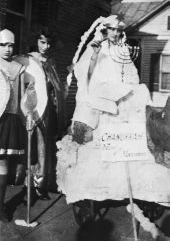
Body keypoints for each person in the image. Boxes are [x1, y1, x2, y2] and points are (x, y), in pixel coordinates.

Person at [67, 15, 151, 144]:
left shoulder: (122, 48)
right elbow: (86, 73)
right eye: (112, 29)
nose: (115, 33)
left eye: (118, 30)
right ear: (105, 29)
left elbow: (131, 73)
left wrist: (127, 84)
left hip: (119, 95)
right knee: (90, 137)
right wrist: (95, 55)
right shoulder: (98, 46)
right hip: (100, 95)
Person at [25, 26, 65, 201]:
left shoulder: (50, 62)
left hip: (48, 109)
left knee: (43, 147)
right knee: (31, 147)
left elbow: (56, 87)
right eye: (42, 42)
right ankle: (29, 185)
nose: (45, 46)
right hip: (31, 108)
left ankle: (39, 184)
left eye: (48, 43)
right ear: (35, 41)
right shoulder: (27, 61)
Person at [0, 29, 26, 222]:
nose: (7, 49)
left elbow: (22, 96)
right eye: (3, 45)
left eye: (10, 45)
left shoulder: (18, 67)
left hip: (9, 118)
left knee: (3, 162)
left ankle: (0, 205)